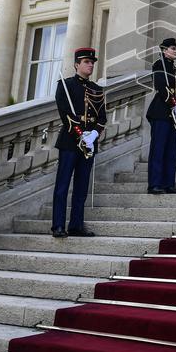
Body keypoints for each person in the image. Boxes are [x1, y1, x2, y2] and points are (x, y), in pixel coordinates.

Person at [51, 47, 107, 238]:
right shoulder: (65, 85)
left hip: (89, 144)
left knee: (82, 187)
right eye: (86, 62)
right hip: (69, 142)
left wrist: (93, 135)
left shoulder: (97, 90)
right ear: (76, 64)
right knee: (62, 185)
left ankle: (76, 224)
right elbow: (65, 113)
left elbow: (102, 118)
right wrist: (80, 134)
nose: (90, 65)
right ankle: (58, 225)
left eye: (92, 62)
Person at [145, 38, 176, 194]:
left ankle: (169, 183)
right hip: (161, 111)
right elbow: (161, 87)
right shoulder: (158, 65)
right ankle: (154, 183)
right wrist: (174, 104)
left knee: (172, 149)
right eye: (173, 48)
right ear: (164, 50)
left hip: (175, 115)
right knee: (159, 148)